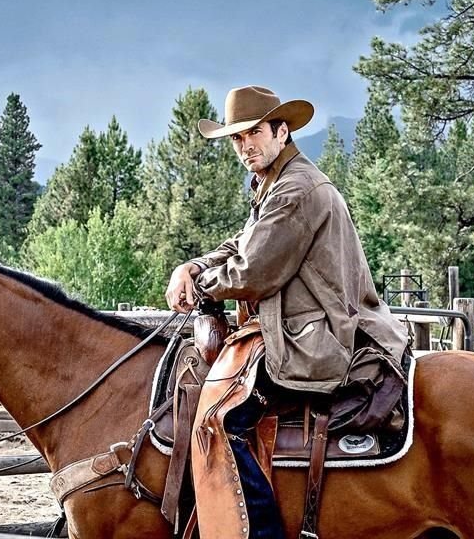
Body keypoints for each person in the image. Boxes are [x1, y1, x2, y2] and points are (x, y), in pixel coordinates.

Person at [164, 85, 410, 539]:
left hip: (315, 335)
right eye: (236, 139)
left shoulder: (296, 188)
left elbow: (255, 271)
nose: (244, 147)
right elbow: (243, 244)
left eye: (253, 133)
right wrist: (195, 266)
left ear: (282, 130)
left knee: (220, 419)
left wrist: (200, 286)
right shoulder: (272, 182)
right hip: (298, 326)